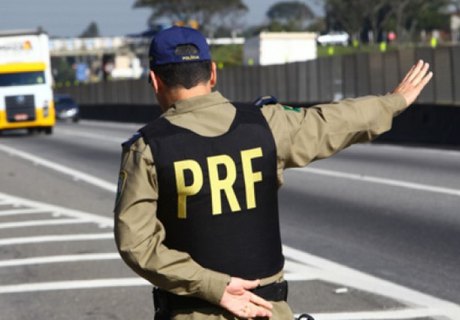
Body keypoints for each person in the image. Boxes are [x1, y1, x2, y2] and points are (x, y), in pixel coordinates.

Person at [114, 26, 432, 320]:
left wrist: (214, 286)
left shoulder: (148, 149)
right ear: (213, 73)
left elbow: (136, 245)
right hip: (268, 310)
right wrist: (393, 102)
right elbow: (333, 120)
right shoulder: (266, 124)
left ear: (155, 80)